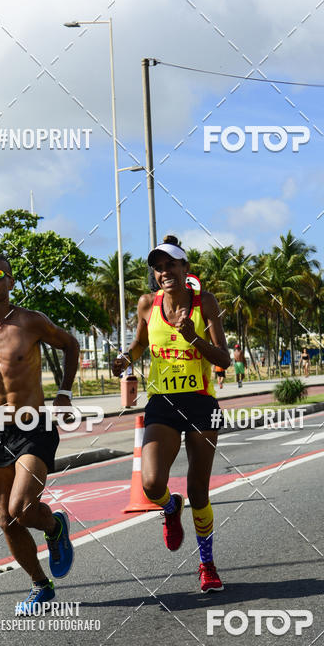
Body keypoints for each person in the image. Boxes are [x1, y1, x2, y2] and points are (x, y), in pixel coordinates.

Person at [0, 253, 80, 614]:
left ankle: (53, 527)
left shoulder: (30, 322)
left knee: (22, 509)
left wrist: (65, 393)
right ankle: (41, 585)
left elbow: (70, 344)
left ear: (10, 282)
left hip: (32, 423)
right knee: (4, 517)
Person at [112, 235, 230, 593]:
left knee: (199, 489)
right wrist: (125, 359)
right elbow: (139, 344)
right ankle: (169, 507)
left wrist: (193, 338)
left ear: (185, 268)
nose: (164, 272)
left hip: (200, 401)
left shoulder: (204, 302)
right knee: (150, 484)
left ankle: (206, 564)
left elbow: (223, 359)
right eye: (158, 268)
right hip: (163, 402)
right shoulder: (148, 304)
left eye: (170, 266)